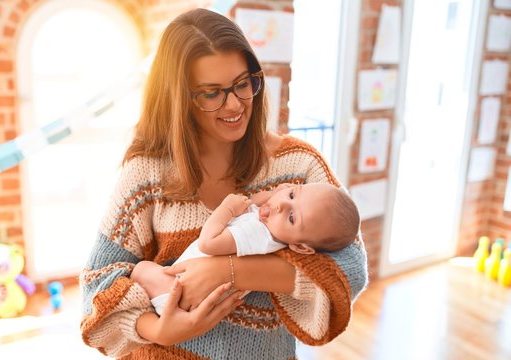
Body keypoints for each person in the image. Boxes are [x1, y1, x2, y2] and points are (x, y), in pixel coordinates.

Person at [80, 8, 368, 359]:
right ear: (179, 99)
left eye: (242, 84)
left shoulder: (298, 166)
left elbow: (349, 270)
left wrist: (228, 271)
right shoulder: (147, 173)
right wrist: (159, 328)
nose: (235, 104)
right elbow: (97, 285)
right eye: (212, 93)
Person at [131, 182, 360, 316]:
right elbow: (254, 203)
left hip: (177, 291)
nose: (280, 205)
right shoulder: (270, 225)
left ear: (300, 246)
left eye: (291, 217)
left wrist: (226, 209)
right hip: (182, 294)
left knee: (141, 269)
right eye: (291, 194)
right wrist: (273, 195)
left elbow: (208, 243)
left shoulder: (258, 235)